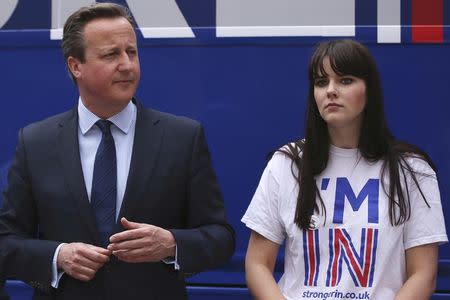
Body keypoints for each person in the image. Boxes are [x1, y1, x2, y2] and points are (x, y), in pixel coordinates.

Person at [0, 3, 234, 299]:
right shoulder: (36, 142)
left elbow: (221, 238)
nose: (127, 65)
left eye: (132, 52)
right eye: (111, 54)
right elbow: (6, 242)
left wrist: (171, 244)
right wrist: (59, 256)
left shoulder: (182, 138)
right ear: (76, 66)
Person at [242, 39, 447, 299]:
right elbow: (257, 264)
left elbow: (423, 274)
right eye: (321, 82)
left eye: (345, 80)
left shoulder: (413, 170)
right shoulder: (287, 164)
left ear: (369, 90)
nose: (331, 90)